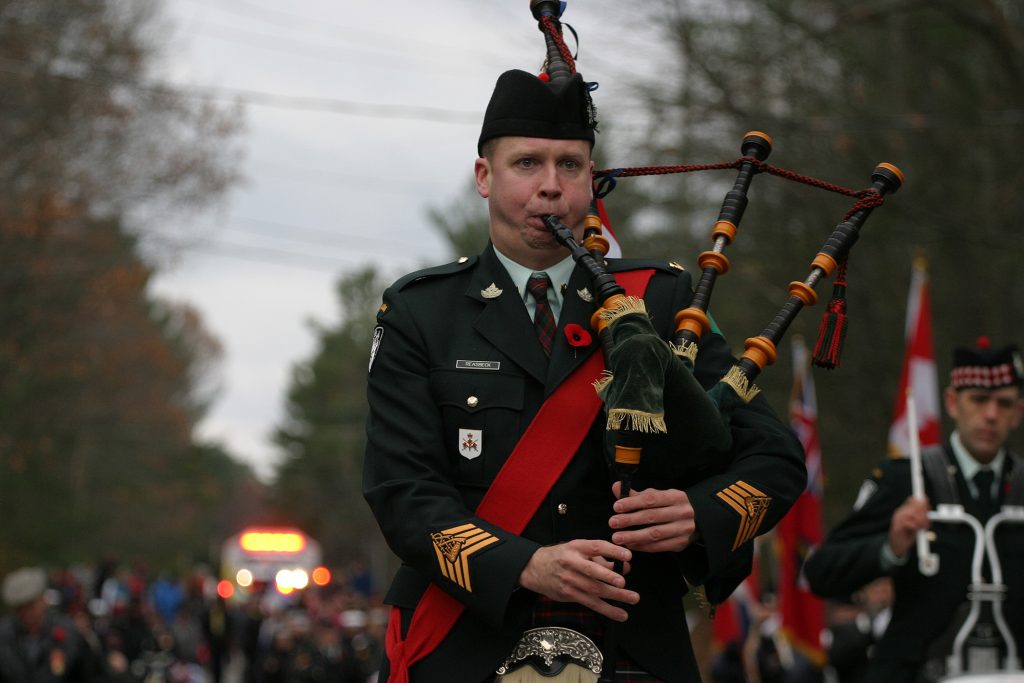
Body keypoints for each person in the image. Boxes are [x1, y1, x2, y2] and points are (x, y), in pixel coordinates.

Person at [362, 67, 806, 683]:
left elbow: (776, 460)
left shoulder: (660, 301)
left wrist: (698, 513)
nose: (551, 188)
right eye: (527, 164)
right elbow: (401, 489)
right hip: (468, 644)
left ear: (592, 181)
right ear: (484, 178)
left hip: (632, 646)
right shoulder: (420, 311)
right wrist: (526, 564)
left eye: (570, 165)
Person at [804, 338, 1024, 682]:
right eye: (979, 400)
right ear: (953, 403)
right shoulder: (907, 479)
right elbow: (821, 571)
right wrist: (890, 548)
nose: (991, 414)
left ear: (1019, 412)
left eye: (1004, 403)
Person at [0, 566, 100, 682]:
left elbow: (88, 671)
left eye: (31, 605)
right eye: (20, 608)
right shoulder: (4, 636)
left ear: (43, 600)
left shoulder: (68, 631)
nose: (26, 613)